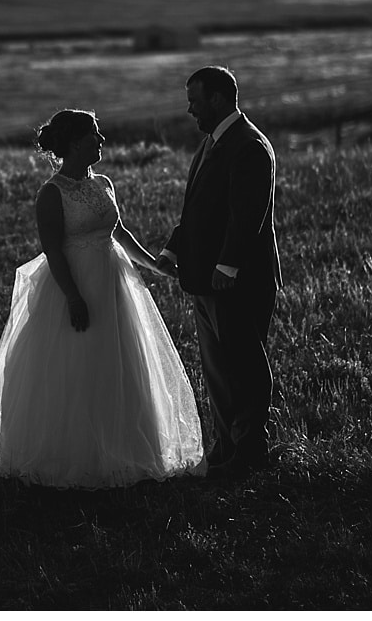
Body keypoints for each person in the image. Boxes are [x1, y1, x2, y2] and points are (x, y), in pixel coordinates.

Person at [0, 109, 206, 488]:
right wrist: (73, 297)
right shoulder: (52, 193)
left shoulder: (103, 183)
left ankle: (124, 447)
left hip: (113, 282)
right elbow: (53, 250)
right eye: (95, 135)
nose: (101, 141)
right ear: (77, 142)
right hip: (75, 283)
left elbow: (117, 232)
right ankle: (75, 455)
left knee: (121, 360)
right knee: (76, 363)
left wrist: (153, 265)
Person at [154, 66, 281, 478]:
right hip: (205, 279)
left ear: (219, 98)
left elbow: (246, 217)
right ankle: (226, 448)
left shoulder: (249, 146)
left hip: (236, 281)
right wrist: (174, 249)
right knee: (218, 371)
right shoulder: (212, 142)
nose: (190, 110)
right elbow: (200, 211)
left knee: (243, 365)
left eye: (195, 101)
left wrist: (228, 266)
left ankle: (249, 452)